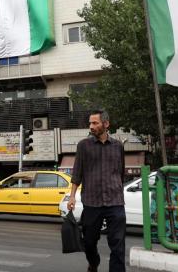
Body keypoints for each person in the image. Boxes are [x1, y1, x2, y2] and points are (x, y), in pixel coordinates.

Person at [67, 110, 126, 272]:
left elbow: (121, 172)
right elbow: (77, 172)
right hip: (92, 202)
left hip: (115, 202)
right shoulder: (83, 146)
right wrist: (72, 197)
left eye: (95, 123)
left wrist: (118, 190)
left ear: (106, 124)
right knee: (89, 242)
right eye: (90, 123)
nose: (91, 126)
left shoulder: (118, 146)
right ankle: (93, 263)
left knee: (118, 244)